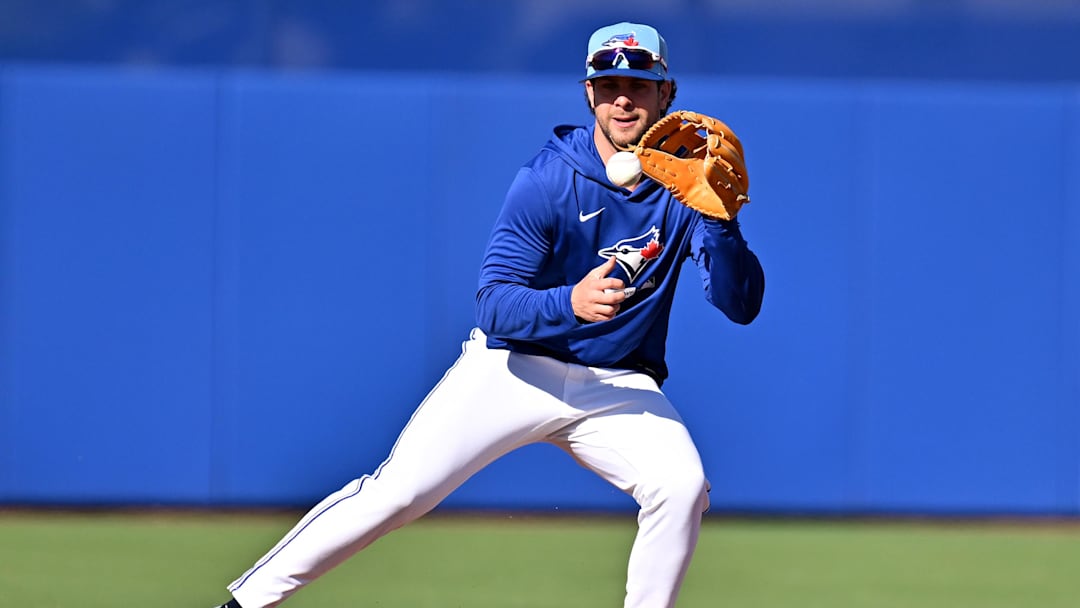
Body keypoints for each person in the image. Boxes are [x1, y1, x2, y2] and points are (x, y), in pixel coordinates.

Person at [211, 21, 764, 608]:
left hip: (618, 383)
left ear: (666, 93)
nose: (621, 97)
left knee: (680, 488)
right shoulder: (548, 179)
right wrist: (568, 302)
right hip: (512, 368)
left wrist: (723, 226)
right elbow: (495, 302)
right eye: (606, 84)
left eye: (637, 83)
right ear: (587, 93)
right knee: (398, 494)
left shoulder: (687, 186)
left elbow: (740, 306)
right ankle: (245, 603)